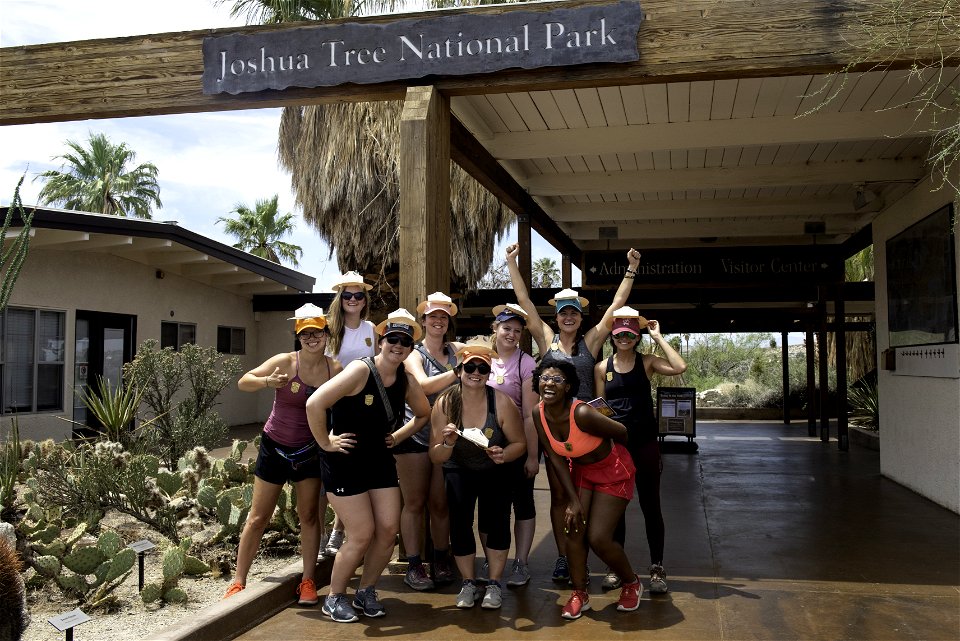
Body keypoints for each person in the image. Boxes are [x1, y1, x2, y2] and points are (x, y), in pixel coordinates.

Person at [506, 243, 641, 582]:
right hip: (554, 429)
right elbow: (524, 303)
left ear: (581, 317)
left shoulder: (592, 342)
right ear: (557, 317)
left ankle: (592, 551)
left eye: (574, 313)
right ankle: (564, 557)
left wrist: (631, 269)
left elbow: (617, 306)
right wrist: (511, 262)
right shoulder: (546, 338)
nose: (568, 317)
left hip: (587, 430)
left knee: (585, 494)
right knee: (558, 496)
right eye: (563, 312)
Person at [306, 309, 431, 624]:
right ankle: (334, 598)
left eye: (404, 341)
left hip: (379, 460)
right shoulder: (360, 371)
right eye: (393, 339)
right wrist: (325, 442)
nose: (397, 345)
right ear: (381, 341)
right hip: (345, 461)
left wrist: (398, 436)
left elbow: (423, 414)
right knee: (361, 534)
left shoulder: (407, 380)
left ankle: (366, 590)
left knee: (389, 530)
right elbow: (314, 403)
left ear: (410, 347)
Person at [223, 304, 341, 606]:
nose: (311, 338)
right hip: (274, 447)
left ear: (326, 334)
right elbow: (243, 381)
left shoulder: (335, 369)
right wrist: (267, 382)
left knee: (309, 516)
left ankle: (307, 581)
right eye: (305, 334)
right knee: (258, 517)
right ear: (298, 337)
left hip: (310, 451)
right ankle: (238, 582)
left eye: (317, 333)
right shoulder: (285, 362)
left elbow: (345, 406)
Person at [533, 358, 642, 620]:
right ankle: (579, 593)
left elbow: (623, 432)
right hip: (581, 471)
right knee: (573, 529)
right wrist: (573, 500)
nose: (549, 383)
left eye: (557, 380)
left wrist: (609, 452)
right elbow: (554, 457)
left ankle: (631, 583)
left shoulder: (581, 413)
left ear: (568, 387)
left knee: (598, 538)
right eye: (544, 378)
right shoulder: (538, 413)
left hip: (612, 471)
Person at [594, 306, 687, 594]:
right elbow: (600, 407)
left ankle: (657, 567)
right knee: (615, 508)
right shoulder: (602, 368)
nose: (624, 338)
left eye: (630, 334)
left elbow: (679, 367)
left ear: (636, 337)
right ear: (612, 335)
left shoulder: (646, 362)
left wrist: (658, 337)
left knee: (650, 506)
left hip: (645, 444)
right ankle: (616, 567)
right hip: (617, 446)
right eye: (620, 333)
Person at [429, 339, 526, 611]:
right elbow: (435, 455)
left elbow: (520, 443)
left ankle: (494, 583)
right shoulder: (446, 402)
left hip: (494, 469)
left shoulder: (502, 402)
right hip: (457, 468)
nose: (475, 373)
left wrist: (504, 455)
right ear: (459, 371)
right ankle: (468, 582)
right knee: (459, 524)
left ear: (489, 373)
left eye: (482, 369)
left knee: (496, 523)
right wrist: (447, 443)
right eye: (469, 367)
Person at [396, 292, 462, 591]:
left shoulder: (457, 352)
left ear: (449, 322)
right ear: (423, 321)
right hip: (415, 434)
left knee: (440, 503)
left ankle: (440, 558)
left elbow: (488, 356)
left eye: (443, 317)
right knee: (414, 503)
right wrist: (458, 372)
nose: (438, 321)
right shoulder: (414, 353)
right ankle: (413, 564)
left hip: (446, 436)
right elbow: (422, 386)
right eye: (433, 316)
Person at [322, 270, 379, 558]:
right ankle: (324, 534)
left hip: (362, 408)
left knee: (353, 469)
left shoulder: (371, 329)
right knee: (328, 470)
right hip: (332, 405)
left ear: (364, 299)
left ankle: (338, 531)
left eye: (358, 295)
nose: (353, 300)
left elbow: (376, 367)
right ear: (340, 298)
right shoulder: (329, 328)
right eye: (348, 295)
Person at [483, 303, 539, 587]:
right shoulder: (480, 357)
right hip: (483, 446)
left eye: (517, 331)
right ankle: (492, 562)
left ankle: (522, 563)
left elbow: (530, 413)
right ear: (495, 329)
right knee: (492, 507)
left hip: (515, 444)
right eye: (506, 328)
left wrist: (532, 454)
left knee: (523, 503)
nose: (512, 334)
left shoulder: (526, 363)